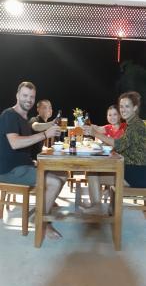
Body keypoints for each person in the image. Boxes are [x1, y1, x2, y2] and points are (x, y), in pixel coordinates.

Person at [0, 81, 67, 238]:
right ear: (17, 96)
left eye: (31, 97)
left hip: (23, 167)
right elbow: (15, 143)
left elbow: (25, 149)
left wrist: (34, 162)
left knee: (63, 174)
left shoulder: (24, 119)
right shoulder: (9, 115)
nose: (28, 99)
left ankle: (41, 211)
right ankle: (42, 223)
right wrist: (45, 134)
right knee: (54, 182)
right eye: (25, 95)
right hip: (9, 171)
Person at [83, 91, 146, 213]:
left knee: (92, 174)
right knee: (100, 170)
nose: (123, 110)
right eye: (121, 106)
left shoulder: (136, 126)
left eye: (127, 106)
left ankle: (97, 207)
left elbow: (119, 144)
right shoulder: (132, 124)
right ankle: (110, 208)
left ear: (135, 108)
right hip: (134, 170)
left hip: (138, 174)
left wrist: (95, 133)